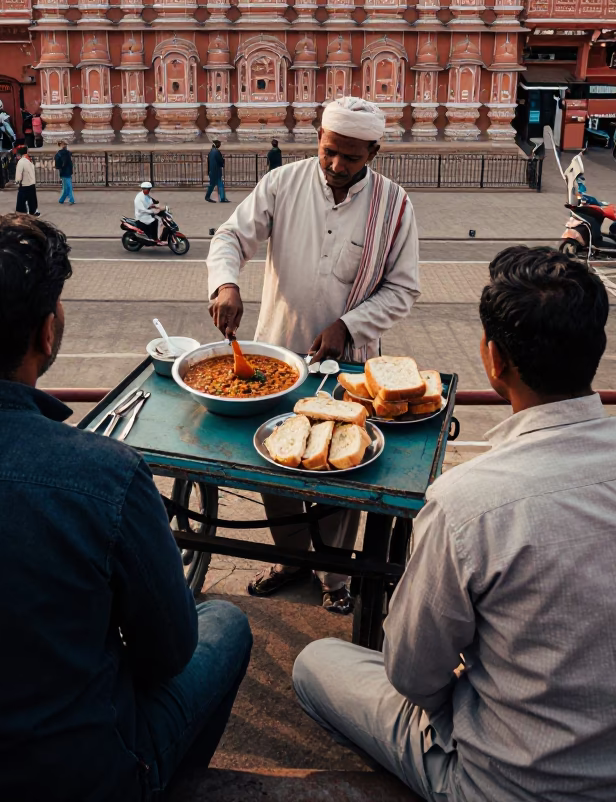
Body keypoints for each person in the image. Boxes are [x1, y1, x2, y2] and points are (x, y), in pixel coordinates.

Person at [0, 214, 251, 800]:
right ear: (46, 333)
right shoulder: (107, 474)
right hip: (79, 777)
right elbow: (169, 654)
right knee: (225, 624)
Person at [293, 246, 616, 802]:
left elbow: (412, 675)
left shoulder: (465, 502)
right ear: (597, 347)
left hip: (501, 784)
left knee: (313, 662)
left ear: (494, 360)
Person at [207, 96, 419, 612]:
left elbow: (403, 288)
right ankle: (291, 561)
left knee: (339, 470)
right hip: (279, 358)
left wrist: (347, 326)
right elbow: (231, 236)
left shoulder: (394, 206)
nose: (337, 165)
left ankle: (336, 578)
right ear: (318, 139)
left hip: (348, 367)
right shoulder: (283, 183)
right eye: (330, 151)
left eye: (352, 157)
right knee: (278, 463)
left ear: (374, 152)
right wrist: (227, 284)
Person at [15, 144, 39, 216]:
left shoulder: (21, 162)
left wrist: (17, 181)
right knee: (32, 199)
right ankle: (33, 211)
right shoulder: (29, 160)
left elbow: (19, 174)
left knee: (21, 200)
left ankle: (21, 213)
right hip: (32, 183)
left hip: (24, 184)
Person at [205, 139, 228, 203]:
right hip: (216, 170)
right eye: (219, 144)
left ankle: (221, 198)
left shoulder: (211, 152)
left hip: (212, 170)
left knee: (214, 184)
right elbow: (220, 160)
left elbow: (208, 162)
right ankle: (221, 198)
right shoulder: (217, 152)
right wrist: (223, 163)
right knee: (218, 184)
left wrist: (208, 171)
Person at [54, 139, 75, 204]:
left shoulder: (59, 154)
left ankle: (62, 199)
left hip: (63, 171)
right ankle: (71, 199)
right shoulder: (68, 153)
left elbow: (58, 163)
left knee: (66, 186)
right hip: (68, 171)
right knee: (68, 186)